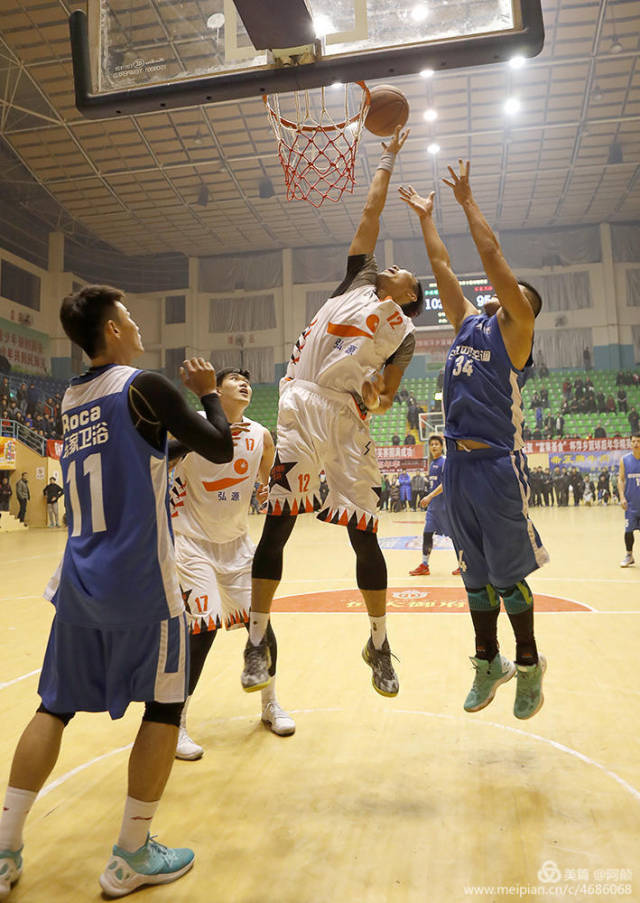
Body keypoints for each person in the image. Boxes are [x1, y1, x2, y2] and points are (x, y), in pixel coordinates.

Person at [0, 285, 233, 900]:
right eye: (129, 318)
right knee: (163, 707)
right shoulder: (144, 385)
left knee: (52, 708)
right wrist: (210, 393)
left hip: (78, 579)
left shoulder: (72, 399)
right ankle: (131, 853)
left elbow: (143, 452)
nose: (137, 327)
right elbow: (220, 445)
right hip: (142, 584)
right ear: (110, 329)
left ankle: (3, 852)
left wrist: (169, 449)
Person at [241, 126, 423, 699]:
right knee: (278, 526)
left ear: (409, 295)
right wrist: (387, 159)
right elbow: (370, 210)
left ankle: (380, 642)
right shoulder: (358, 280)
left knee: (364, 537)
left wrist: (375, 397)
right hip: (298, 402)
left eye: (403, 273)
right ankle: (257, 639)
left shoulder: (406, 335)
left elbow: (388, 397)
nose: (390, 266)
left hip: (346, 419)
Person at [400, 164, 548, 721]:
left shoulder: (516, 333)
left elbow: (492, 260)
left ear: (523, 309)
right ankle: (490, 661)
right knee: (475, 577)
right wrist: (427, 219)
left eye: (514, 294)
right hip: (458, 472)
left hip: (495, 467)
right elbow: (440, 266)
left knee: (509, 578)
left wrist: (467, 204)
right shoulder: (465, 324)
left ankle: (530, 666)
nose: (502, 293)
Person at [169, 367, 294, 761]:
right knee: (202, 629)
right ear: (215, 391)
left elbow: (271, 480)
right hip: (193, 544)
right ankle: (176, 722)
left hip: (238, 546)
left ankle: (270, 704)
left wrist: (273, 486)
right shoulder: (192, 430)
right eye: (234, 379)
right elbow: (159, 471)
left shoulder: (261, 436)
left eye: (247, 379)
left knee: (261, 626)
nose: (244, 382)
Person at [409, 434, 460, 577]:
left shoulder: (444, 462)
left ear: (442, 446)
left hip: (445, 507)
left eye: (437, 444)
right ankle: (424, 565)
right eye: (432, 444)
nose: (434, 446)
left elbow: (446, 484)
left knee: (455, 536)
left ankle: (463, 564)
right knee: (427, 534)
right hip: (433, 508)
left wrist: (430, 496)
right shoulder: (432, 463)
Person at [618, 433, 640, 567]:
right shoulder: (625, 460)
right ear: (630, 443)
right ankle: (629, 555)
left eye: (638, 441)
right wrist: (622, 497)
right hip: (631, 504)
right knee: (628, 531)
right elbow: (620, 479)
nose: (636, 443)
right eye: (634, 441)